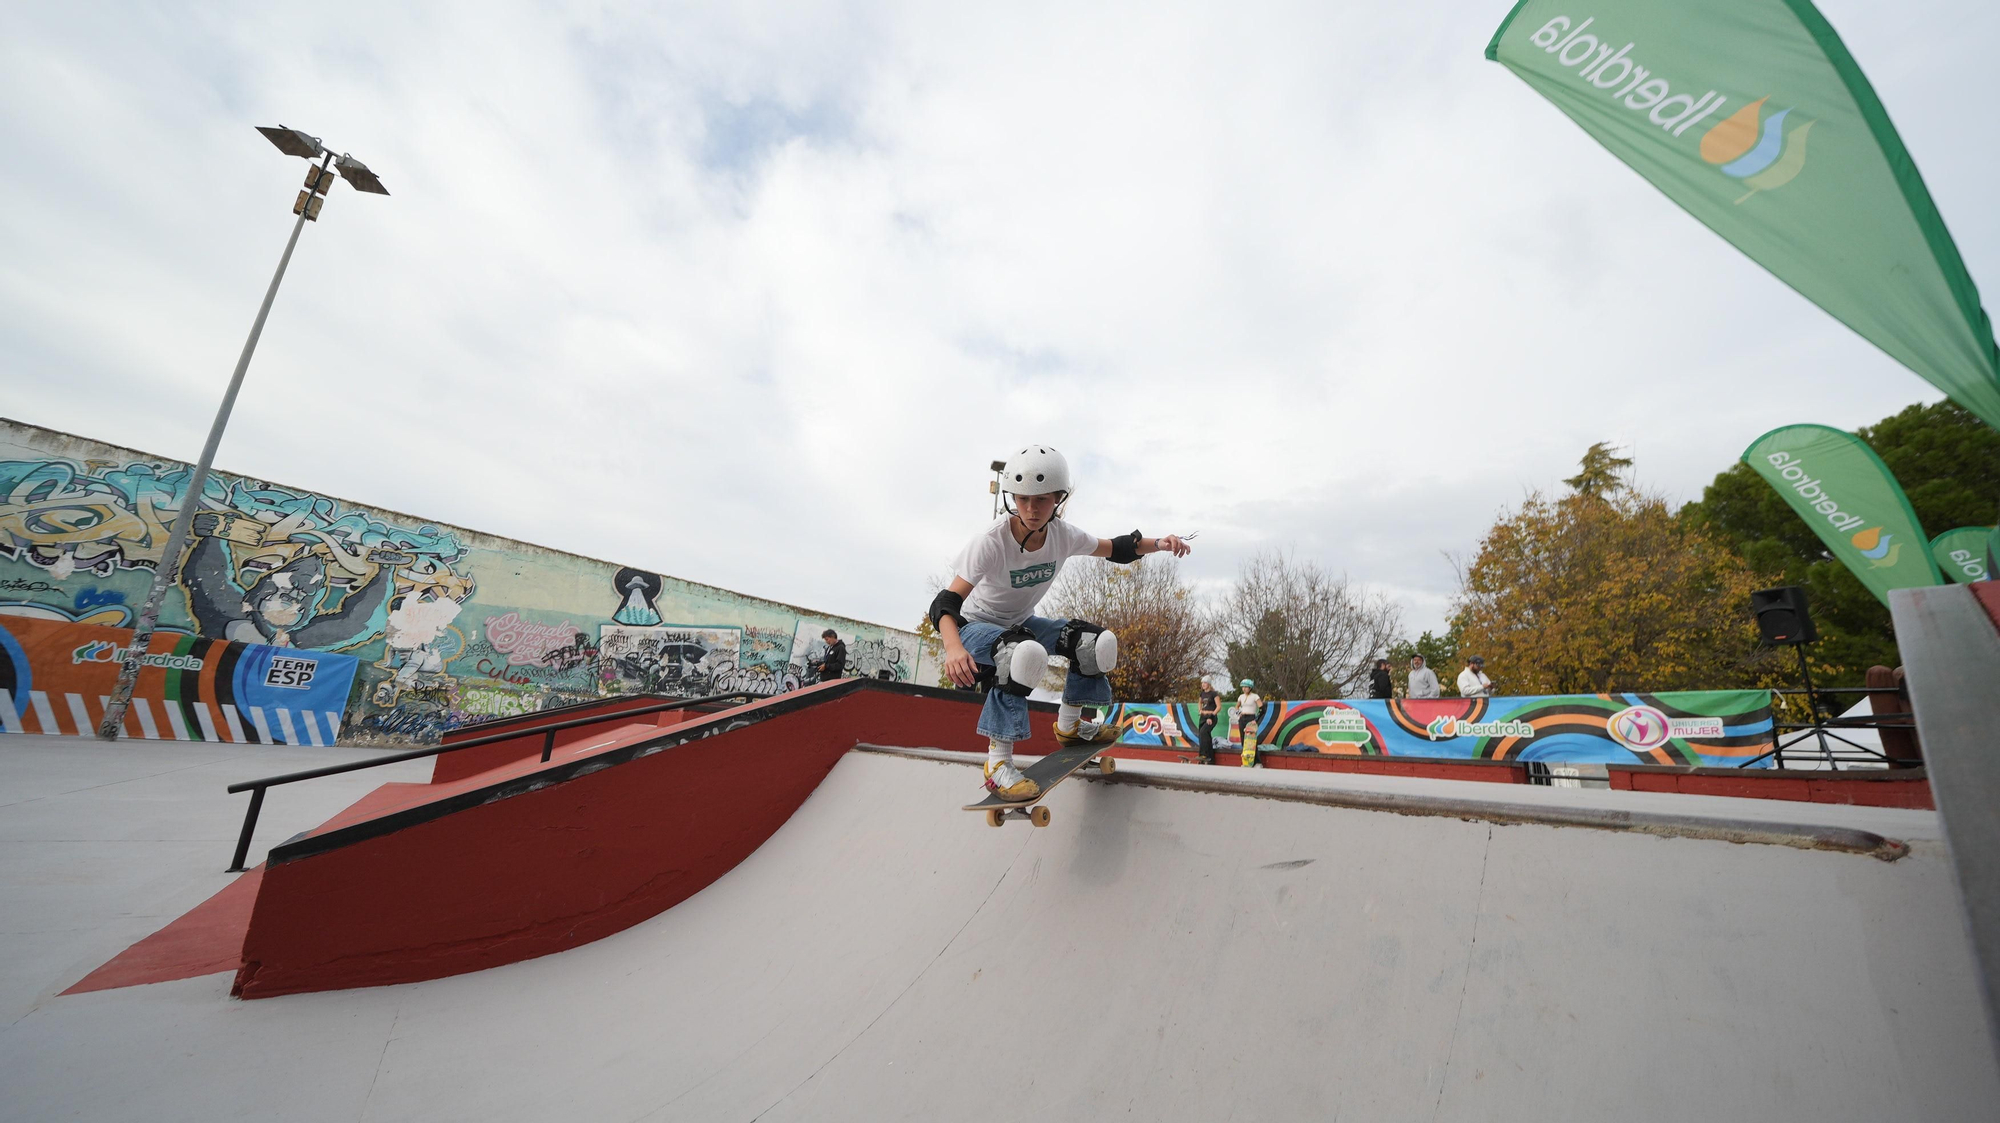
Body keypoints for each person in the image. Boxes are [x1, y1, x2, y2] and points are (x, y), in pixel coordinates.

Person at [929, 445, 1192, 802]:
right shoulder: (990, 543)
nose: (1031, 510)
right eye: (1022, 500)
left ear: (1057, 499)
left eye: (1041, 500)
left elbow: (1116, 548)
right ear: (1012, 499)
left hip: (1021, 624)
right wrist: (953, 647)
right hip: (974, 628)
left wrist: (1160, 543)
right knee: (1022, 652)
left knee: (1093, 643)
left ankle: (1070, 727)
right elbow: (945, 602)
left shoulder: (1062, 536)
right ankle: (998, 764)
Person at [1235, 678, 1264, 767]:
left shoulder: (1255, 696)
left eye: (1246, 687)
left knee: (1252, 741)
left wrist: (1256, 720)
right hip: (1242, 718)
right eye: (1243, 687)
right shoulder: (1241, 696)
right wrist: (1238, 714)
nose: (1244, 689)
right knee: (1244, 741)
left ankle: (1257, 762)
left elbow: (1262, 709)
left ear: (1250, 688)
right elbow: (1236, 707)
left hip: (1251, 718)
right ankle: (1247, 761)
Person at [1195, 677, 1221, 765]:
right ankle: (1211, 758)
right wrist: (1200, 710)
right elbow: (1200, 702)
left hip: (1211, 716)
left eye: (1205, 683)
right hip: (1203, 716)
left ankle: (1203, 754)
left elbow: (1218, 707)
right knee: (1204, 735)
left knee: (1203, 732)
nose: (1203, 684)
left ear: (1209, 684)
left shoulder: (1214, 694)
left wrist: (1212, 715)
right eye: (1202, 683)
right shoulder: (1202, 694)